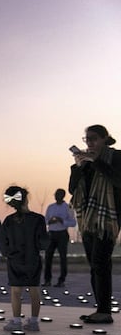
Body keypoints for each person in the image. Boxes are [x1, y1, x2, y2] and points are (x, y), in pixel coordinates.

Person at [69, 124, 121, 324]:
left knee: (101, 262)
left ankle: (104, 310)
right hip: (87, 219)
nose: (89, 142)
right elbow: (73, 189)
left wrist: (96, 161)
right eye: (86, 139)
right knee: (94, 264)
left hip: (108, 218)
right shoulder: (85, 162)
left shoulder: (116, 158)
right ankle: (101, 309)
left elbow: (118, 180)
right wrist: (78, 167)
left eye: (93, 138)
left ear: (104, 139)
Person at [0, 186, 47, 332]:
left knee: (15, 291)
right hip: (33, 259)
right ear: (26, 199)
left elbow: (2, 242)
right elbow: (43, 241)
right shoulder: (38, 219)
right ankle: (33, 322)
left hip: (15, 260)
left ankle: (16, 321)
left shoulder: (8, 221)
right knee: (34, 290)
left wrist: (9, 253)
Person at [43, 188, 76, 287]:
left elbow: (73, 223)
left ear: (63, 196)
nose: (56, 197)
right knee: (48, 257)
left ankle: (61, 280)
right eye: (55, 195)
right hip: (51, 234)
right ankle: (47, 280)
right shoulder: (50, 207)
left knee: (63, 258)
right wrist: (50, 222)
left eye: (58, 195)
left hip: (62, 234)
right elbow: (45, 220)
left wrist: (62, 221)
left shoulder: (68, 207)